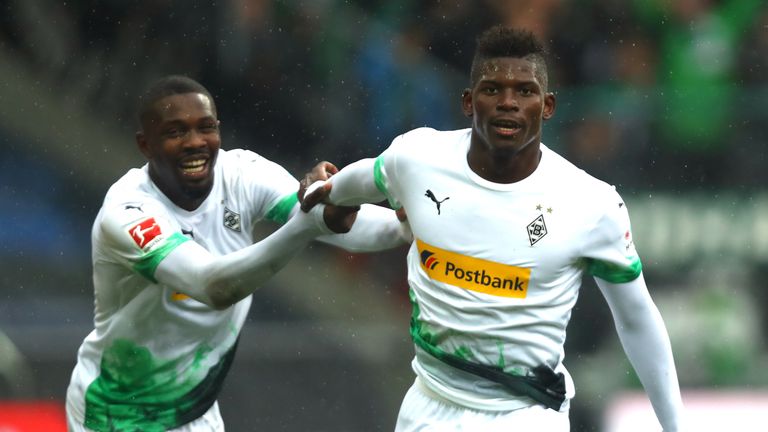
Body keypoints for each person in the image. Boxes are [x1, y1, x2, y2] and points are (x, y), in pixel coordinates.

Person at [301, 26, 685, 431]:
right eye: (492, 89)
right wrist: (320, 187)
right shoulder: (416, 159)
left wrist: (675, 427)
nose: (508, 103)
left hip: (526, 415)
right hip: (428, 407)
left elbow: (637, 319)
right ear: (468, 101)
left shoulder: (592, 204)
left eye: (524, 91)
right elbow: (338, 191)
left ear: (548, 105)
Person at [64, 75, 410, 431]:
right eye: (175, 132)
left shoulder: (242, 173)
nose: (195, 142)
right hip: (117, 413)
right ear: (145, 145)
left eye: (206, 128)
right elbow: (213, 287)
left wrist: (407, 227)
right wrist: (307, 225)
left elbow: (330, 221)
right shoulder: (128, 212)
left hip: (195, 410)